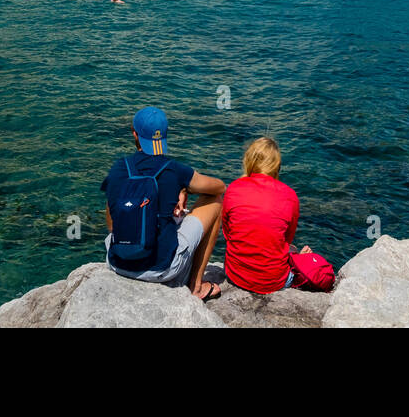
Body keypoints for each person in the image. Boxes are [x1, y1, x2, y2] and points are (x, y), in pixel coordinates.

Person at [100, 107, 225, 301]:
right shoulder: (174, 170)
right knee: (215, 203)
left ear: (135, 133)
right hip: (161, 269)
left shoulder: (118, 168)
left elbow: (111, 217)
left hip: (117, 263)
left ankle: (129, 247)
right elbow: (219, 188)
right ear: (165, 136)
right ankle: (197, 287)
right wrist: (185, 188)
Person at [221, 137, 335, 295]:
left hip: (235, 275)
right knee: (291, 248)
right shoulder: (290, 196)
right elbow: (287, 239)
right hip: (274, 282)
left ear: (248, 160)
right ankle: (298, 258)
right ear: (277, 166)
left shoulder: (233, 188)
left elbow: (228, 233)